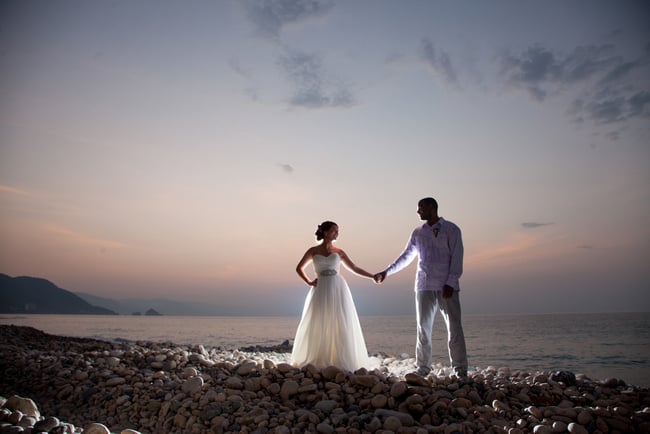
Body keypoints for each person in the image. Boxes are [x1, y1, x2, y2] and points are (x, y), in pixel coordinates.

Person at [374, 197, 468, 377]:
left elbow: (457, 257)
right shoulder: (418, 232)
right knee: (423, 328)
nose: (418, 212)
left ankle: (460, 369)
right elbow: (406, 256)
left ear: (432, 208)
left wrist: (450, 282)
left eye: (421, 208)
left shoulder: (451, 229)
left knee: (454, 327)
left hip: (447, 287)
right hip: (423, 285)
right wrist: (386, 272)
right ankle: (423, 367)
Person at [291, 221, 374, 372]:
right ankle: (318, 356)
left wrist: (372, 276)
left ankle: (338, 357)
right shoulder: (313, 250)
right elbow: (299, 268)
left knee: (338, 319)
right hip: (320, 288)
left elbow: (354, 268)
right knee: (317, 319)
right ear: (326, 232)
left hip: (337, 288)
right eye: (335, 231)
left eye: (338, 231)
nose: (337, 233)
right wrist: (309, 282)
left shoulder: (339, 251)